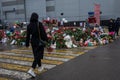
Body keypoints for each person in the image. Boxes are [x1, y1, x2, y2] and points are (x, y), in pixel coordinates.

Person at [26, 12, 48, 78]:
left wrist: (27, 44)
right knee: (38, 56)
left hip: (33, 42)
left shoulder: (29, 25)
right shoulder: (39, 24)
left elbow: (27, 36)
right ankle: (32, 69)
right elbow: (43, 33)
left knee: (36, 55)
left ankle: (40, 66)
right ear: (37, 17)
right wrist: (46, 40)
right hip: (39, 42)